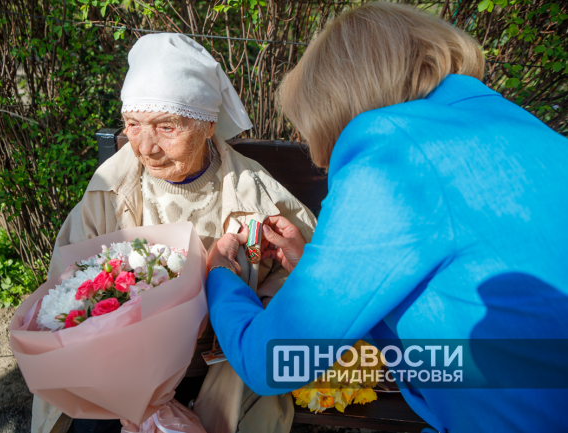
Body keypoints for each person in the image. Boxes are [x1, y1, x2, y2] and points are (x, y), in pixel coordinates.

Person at [205, 3, 568, 433]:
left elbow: (275, 360)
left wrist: (221, 277)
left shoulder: (392, 150)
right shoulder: (522, 127)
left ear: (335, 103)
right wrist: (313, 267)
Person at [31, 34, 316, 433]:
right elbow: (68, 291)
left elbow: (303, 274)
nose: (146, 147)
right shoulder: (108, 192)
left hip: (222, 364)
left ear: (208, 124)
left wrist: (266, 298)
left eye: (166, 127)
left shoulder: (254, 192)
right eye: (133, 125)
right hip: (119, 367)